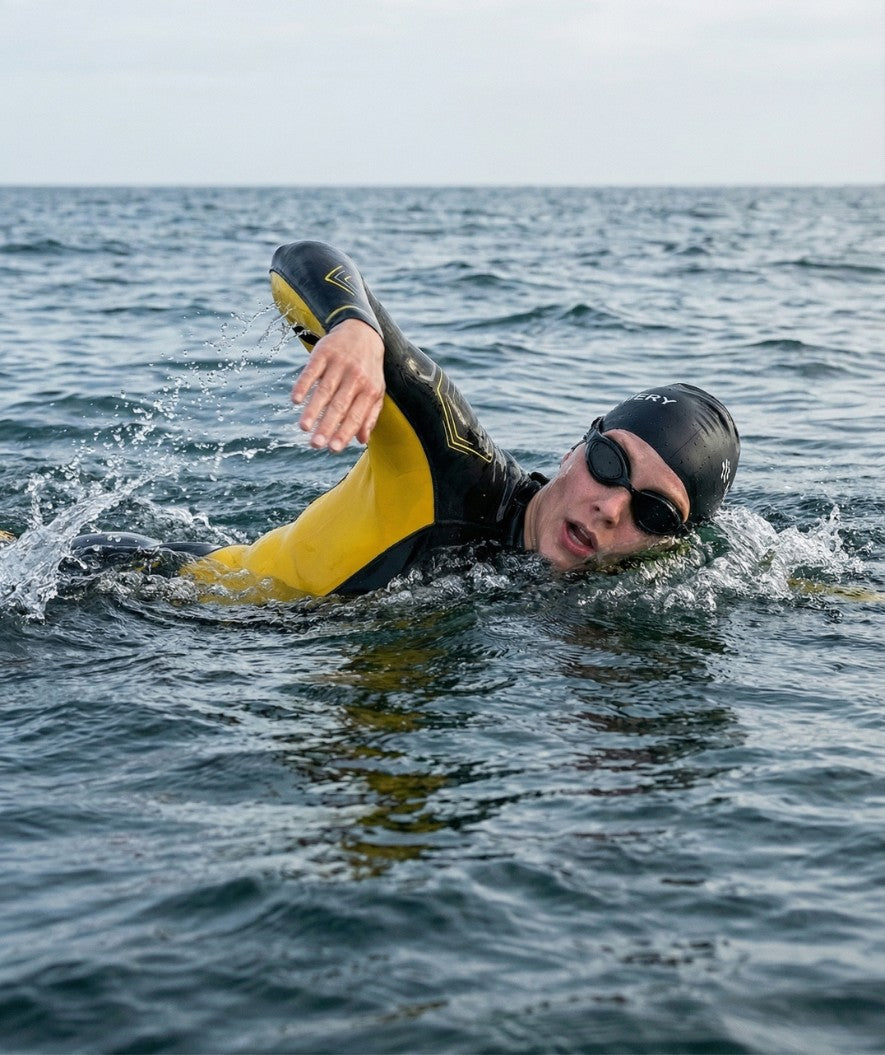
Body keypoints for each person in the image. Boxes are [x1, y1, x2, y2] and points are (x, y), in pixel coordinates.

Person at [72, 240, 740, 600]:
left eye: (652, 511)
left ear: (671, 544)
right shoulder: (450, 459)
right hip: (131, 593)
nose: (608, 509)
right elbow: (303, 259)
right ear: (577, 445)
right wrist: (356, 329)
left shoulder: (619, 597)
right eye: (610, 465)